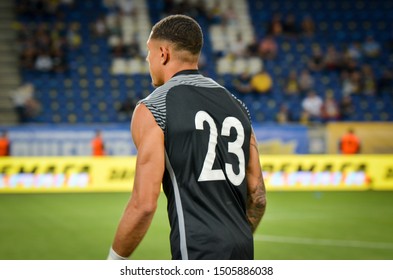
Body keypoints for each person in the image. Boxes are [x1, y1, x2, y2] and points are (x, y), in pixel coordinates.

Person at [108, 14, 267, 260]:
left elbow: (144, 205)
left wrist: (113, 262)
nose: (147, 59)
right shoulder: (237, 105)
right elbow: (257, 193)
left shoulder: (153, 108)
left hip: (196, 250)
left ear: (163, 53)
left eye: (149, 52)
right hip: (243, 252)